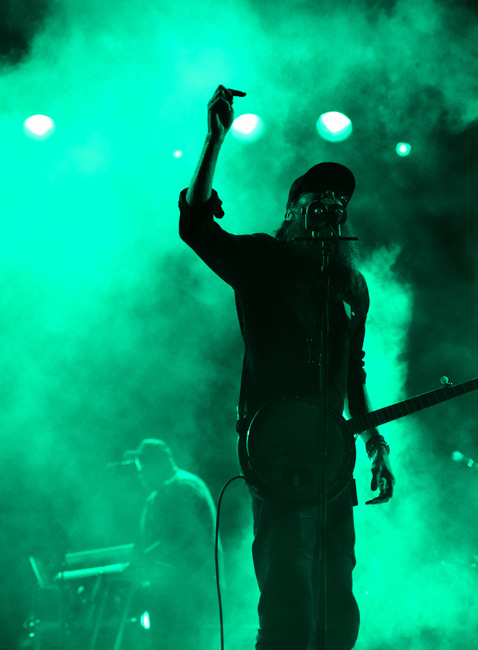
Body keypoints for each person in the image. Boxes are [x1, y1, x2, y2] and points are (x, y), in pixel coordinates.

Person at [178, 84, 396, 650]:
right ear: (293, 212)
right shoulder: (261, 262)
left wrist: (375, 442)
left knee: (335, 594)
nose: (330, 209)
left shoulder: (351, 286)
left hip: (332, 454)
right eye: (317, 201)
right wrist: (214, 139)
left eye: (338, 204)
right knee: (286, 591)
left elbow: (355, 375)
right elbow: (198, 227)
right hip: (276, 450)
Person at [123, 438, 219, 650]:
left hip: (190, 587)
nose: (140, 475)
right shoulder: (161, 493)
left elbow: (182, 534)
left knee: (183, 642)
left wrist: (147, 558)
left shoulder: (183, 487)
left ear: (160, 464)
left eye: (143, 468)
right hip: (173, 590)